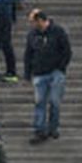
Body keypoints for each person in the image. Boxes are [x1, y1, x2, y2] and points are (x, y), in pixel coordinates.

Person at [23, 9, 71, 144]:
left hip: (55, 72)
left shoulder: (58, 31)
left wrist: (61, 67)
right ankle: (39, 129)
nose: (32, 25)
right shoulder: (32, 35)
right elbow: (28, 53)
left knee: (55, 102)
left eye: (33, 21)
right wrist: (28, 72)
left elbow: (66, 50)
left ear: (40, 20)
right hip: (39, 73)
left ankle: (53, 127)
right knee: (40, 102)